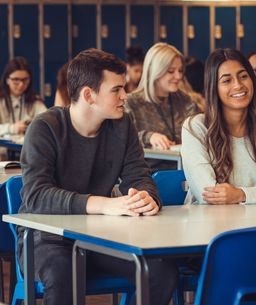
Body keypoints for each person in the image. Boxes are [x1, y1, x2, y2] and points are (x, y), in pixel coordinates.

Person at [19, 48, 178, 305]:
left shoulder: (122, 125)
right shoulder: (45, 127)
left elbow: (139, 176)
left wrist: (146, 197)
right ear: (88, 95)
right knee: (63, 275)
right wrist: (105, 204)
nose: (125, 96)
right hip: (47, 239)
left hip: (100, 235)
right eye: (116, 90)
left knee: (160, 270)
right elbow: (36, 196)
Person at [181, 48, 256, 206]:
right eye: (227, 80)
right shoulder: (195, 128)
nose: (238, 85)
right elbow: (209, 196)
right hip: (210, 223)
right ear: (214, 87)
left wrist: (240, 194)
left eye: (243, 76)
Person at [125, 42, 197, 171]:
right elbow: (121, 140)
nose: (178, 76)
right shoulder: (131, 103)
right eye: (171, 71)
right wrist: (148, 136)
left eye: (180, 71)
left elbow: (200, 131)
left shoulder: (186, 102)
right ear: (154, 71)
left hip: (185, 172)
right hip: (147, 176)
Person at [0, 57, 47, 137]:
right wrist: (11, 128)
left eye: (25, 80)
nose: (21, 84)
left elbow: (47, 119)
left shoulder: (35, 100)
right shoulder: (1, 100)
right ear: (7, 80)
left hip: (25, 148)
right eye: (16, 80)